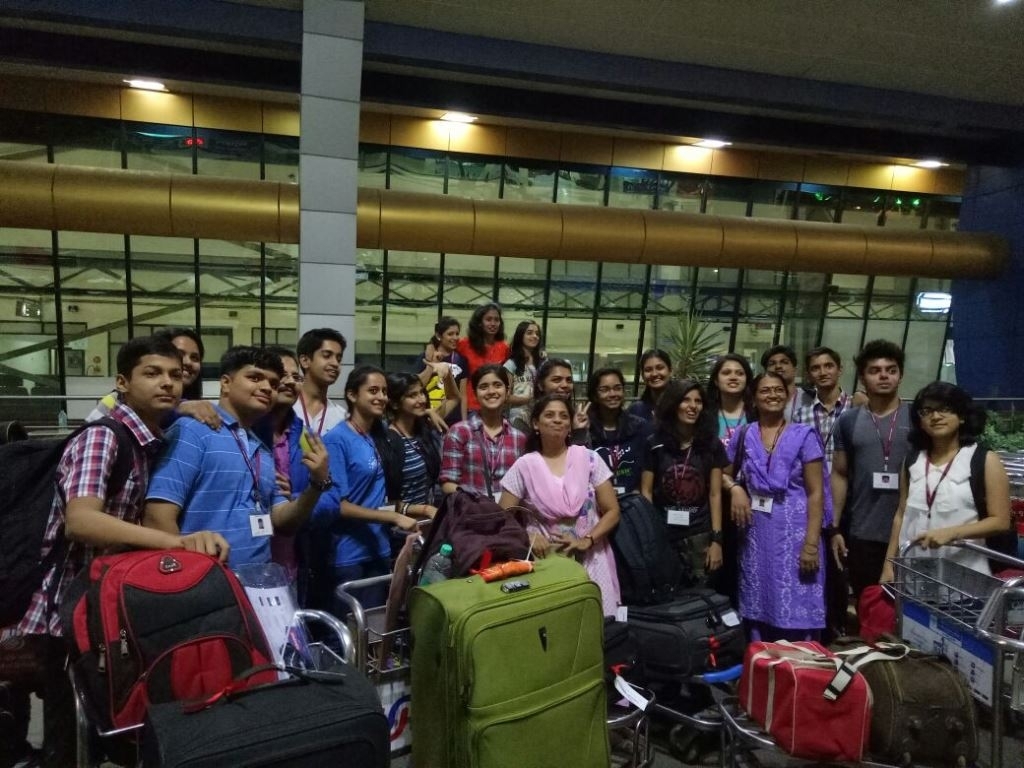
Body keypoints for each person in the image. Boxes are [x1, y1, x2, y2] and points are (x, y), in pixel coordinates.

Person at [5, 336, 229, 768]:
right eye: (152, 373)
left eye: (175, 375)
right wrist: (175, 542)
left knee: (86, 726)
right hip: (60, 610)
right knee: (68, 734)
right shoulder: (104, 438)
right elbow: (82, 521)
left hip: (91, 606)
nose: (168, 383)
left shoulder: (146, 441)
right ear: (122, 383)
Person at [144, 346, 332, 568]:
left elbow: (283, 521)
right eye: (255, 378)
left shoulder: (261, 449)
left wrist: (316, 485)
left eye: (273, 384)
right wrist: (184, 576)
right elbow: (158, 517)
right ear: (226, 383)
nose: (267, 388)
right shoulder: (193, 431)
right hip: (204, 579)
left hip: (258, 579)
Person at [310, 366, 425, 610]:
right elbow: (339, 505)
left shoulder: (378, 435)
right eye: (373, 391)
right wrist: (393, 517)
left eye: (384, 391)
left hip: (379, 548)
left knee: (375, 623)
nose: (381, 397)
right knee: (351, 625)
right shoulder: (337, 440)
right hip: (348, 554)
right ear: (352, 395)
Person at [724, 372, 827, 641]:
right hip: (755, 535)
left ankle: (801, 659)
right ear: (754, 398)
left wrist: (811, 544)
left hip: (797, 535)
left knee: (799, 600)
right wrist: (735, 488)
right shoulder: (744, 434)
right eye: (765, 390)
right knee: (758, 598)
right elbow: (722, 474)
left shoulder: (804, 435)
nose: (773, 395)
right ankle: (762, 657)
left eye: (778, 390)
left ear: (788, 395)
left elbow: (816, 493)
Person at [499, 395, 622, 616]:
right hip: (547, 562)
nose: (557, 420)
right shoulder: (524, 466)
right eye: (549, 415)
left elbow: (612, 511)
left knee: (596, 622)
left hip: (592, 559)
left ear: (570, 425)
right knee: (557, 623)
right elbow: (502, 517)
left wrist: (587, 540)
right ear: (536, 424)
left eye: (564, 416)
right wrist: (528, 536)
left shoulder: (590, 459)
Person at [881, 383, 1012, 579]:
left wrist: (953, 533)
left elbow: (1000, 521)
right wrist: (889, 563)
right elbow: (901, 514)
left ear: (962, 416)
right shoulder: (912, 460)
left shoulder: (984, 460)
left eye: (945, 409)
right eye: (927, 411)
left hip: (966, 574)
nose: (935, 416)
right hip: (914, 573)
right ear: (920, 421)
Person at [829, 340, 912, 597]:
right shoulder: (848, 421)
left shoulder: (918, 419)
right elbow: (840, 474)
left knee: (910, 609)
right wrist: (834, 527)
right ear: (863, 378)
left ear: (901, 375)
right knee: (868, 602)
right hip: (863, 531)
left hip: (911, 533)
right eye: (875, 371)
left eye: (891, 370)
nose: (884, 376)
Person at [640, 379, 728, 583]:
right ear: (673, 403)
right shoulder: (654, 444)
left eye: (698, 401)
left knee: (701, 593)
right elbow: (646, 492)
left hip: (699, 534)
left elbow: (715, 494)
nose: (693, 406)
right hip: (663, 533)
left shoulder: (711, 445)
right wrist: (652, 534)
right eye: (686, 400)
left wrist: (717, 540)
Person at [86, 327, 220, 428]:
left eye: (195, 358)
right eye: (179, 354)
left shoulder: (194, 406)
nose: (188, 362)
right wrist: (179, 408)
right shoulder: (113, 407)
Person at [255, 346, 311, 588]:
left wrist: (295, 499)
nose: (289, 382)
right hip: (247, 559)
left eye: (296, 377)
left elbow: (330, 495)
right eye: (281, 375)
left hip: (290, 559)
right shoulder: (242, 430)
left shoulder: (306, 436)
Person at [440, 364, 525, 498]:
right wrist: (477, 501)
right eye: (483, 387)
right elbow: (447, 483)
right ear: (475, 394)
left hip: (507, 510)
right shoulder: (459, 432)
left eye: (497, 385)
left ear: (507, 391)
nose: (491, 391)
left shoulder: (519, 438)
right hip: (470, 509)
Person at [383, 371, 443, 521]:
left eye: (421, 392)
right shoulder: (389, 441)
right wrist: (424, 509)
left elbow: (455, 399)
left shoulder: (422, 431)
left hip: (425, 523)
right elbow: (383, 500)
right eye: (412, 395)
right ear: (395, 403)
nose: (422, 399)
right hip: (400, 526)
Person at [586, 367, 650, 494]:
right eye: (605, 390)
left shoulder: (639, 426)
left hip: (631, 499)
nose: (612, 394)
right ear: (595, 395)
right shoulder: (587, 429)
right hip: (598, 500)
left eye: (617, 388)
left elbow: (646, 468)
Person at [792, 346, 853, 470]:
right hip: (813, 479)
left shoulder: (854, 407)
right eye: (815, 368)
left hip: (848, 478)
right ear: (808, 375)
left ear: (840, 370)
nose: (823, 373)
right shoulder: (800, 415)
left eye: (829, 366)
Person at [457, 303, 510, 418]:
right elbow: (444, 346)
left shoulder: (504, 347)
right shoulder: (464, 344)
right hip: (471, 407)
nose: (493, 324)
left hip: (496, 406)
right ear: (479, 323)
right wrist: (431, 346)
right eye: (488, 319)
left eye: (496, 320)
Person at [294, 327, 348, 436]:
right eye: (327, 356)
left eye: (339, 359)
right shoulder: (286, 409)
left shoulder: (342, 418)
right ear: (305, 361)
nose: (335, 364)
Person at [535, 357, 590, 445]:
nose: (565, 385)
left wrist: (579, 432)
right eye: (556, 380)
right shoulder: (524, 417)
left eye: (569, 380)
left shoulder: (576, 416)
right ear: (540, 385)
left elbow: (586, 452)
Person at [422, 316, 467, 421]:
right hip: (430, 415)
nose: (455, 338)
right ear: (439, 336)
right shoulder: (426, 357)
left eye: (457, 334)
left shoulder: (461, 360)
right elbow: (419, 384)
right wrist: (431, 364)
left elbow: (463, 395)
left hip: (453, 416)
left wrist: (464, 421)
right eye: (450, 334)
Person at [504, 319, 546, 431]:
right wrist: (528, 399)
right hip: (518, 416)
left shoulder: (542, 362)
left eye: (537, 334)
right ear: (520, 336)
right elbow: (505, 397)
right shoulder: (511, 364)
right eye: (530, 333)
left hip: (539, 414)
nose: (535, 336)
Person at [707, 353, 755, 448]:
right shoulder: (705, 414)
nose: (733, 377)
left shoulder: (757, 414)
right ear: (716, 380)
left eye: (740, 373)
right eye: (726, 373)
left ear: (747, 380)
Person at [761, 344, 811, 421]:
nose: (778, 366)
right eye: (772, 364)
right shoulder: (761, 400)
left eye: (784, 362)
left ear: (795, 369)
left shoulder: (810, 397)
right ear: (766, 372)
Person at [627, 349, 673, 422]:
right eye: (648, 370)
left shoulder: (683, 406)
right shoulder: (636, 410)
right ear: (642, 375)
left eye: (660, 368)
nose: (654, 374)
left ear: (670, 370)